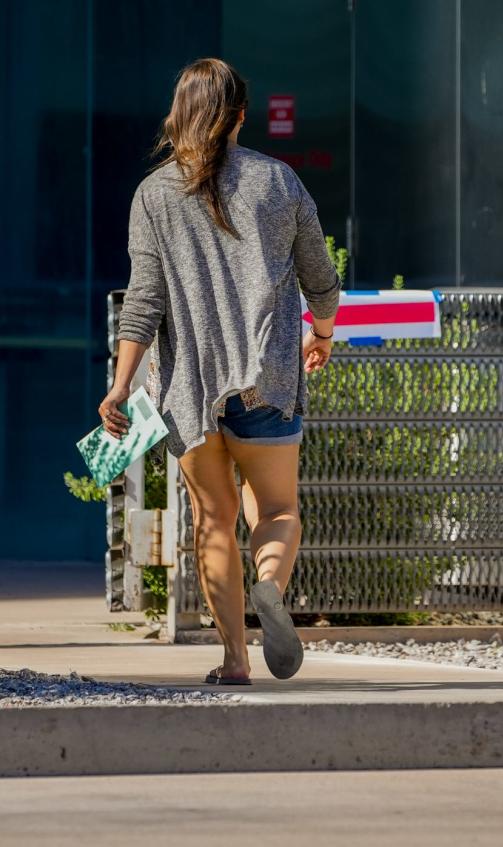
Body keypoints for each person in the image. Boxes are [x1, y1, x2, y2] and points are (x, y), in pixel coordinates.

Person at [98, 58, 341, 685]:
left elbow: (143, 299)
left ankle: (234, 662)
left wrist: (121, 386)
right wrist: (322, 334)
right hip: (267, 379)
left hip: (188, 390)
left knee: (212, 520)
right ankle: (269, 586)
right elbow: (321, 279)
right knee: (279, 512)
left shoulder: (153, 194)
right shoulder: (279, 182)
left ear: (179, 116)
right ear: (239, 115)